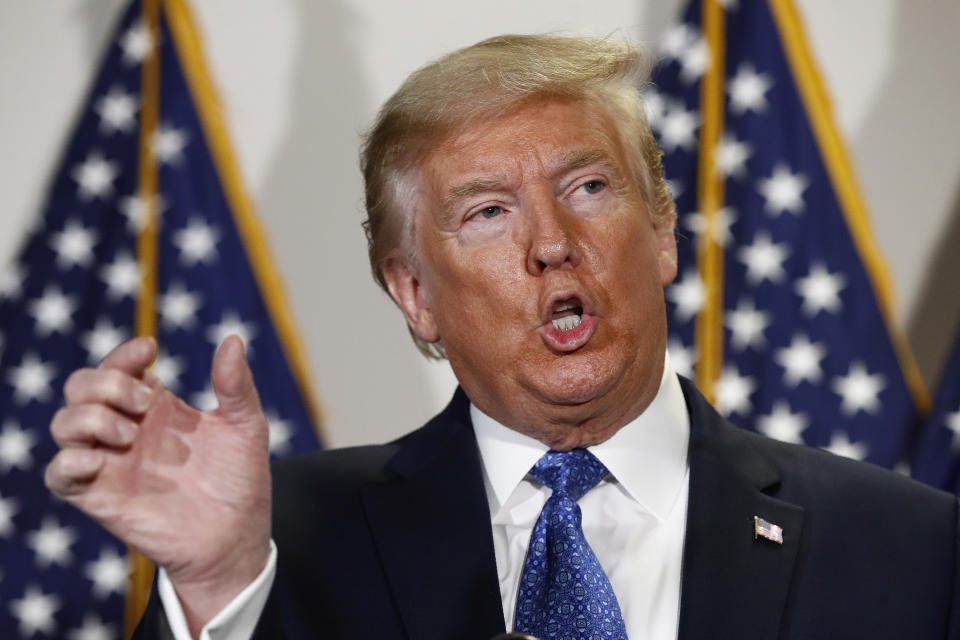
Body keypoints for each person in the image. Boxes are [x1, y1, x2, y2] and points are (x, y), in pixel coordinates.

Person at [46, 35, 959, 640]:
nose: (552, 242)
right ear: (415, 297)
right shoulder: (287, 542)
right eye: (487, 212)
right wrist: (215, 593)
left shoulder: (908, 548)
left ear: (664, 234)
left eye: (590, 188)